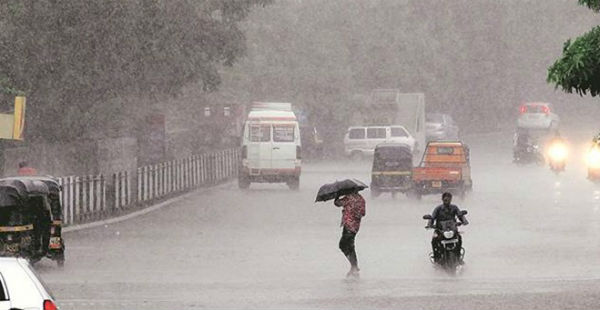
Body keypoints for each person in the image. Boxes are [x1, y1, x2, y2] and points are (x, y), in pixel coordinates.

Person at [426, 192, 468, 262]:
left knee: (459, 238)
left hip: (452, 229)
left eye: (448, 198)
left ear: (451, 199)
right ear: (442, 199)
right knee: (434, 240)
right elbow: (432, 217)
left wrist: (464, 221)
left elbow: (460, 215)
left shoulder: (454, 207)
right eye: (445, 199)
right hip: (440, 230)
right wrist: (430, 224)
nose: (447, 200)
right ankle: (436, 257)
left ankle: (458, 256)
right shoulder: (438, 209)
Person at [334, 190, 366, 278]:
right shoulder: (361, 199)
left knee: (343, 245)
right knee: (350, 245)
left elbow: (337, 203)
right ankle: (354, 266)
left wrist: (337, 195)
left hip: (348, 225)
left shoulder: (349, 198)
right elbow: (363, 213)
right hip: (355, 226)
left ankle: (354, 265)